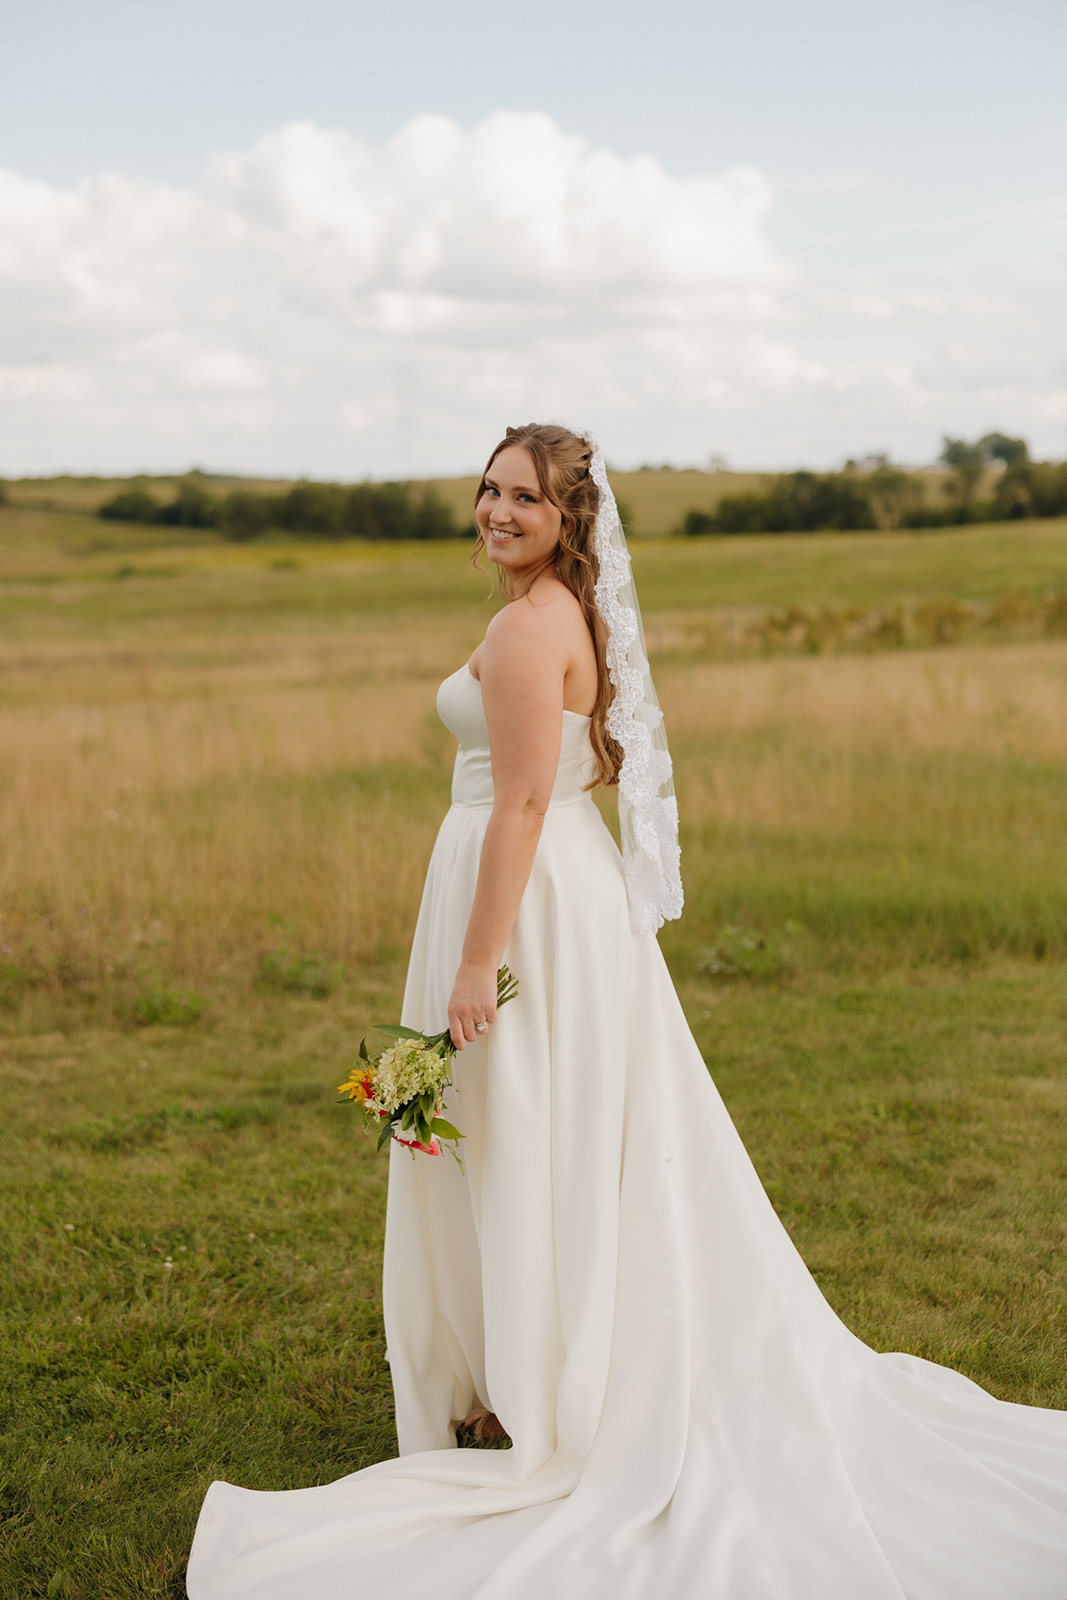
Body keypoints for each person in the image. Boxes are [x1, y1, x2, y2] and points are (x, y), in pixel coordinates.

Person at [187, 424, 1067, 1600]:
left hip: (524, 909)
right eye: (489, 489)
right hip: (560, 893)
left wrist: (473, 964)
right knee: (556, 1132)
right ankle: (537, 1367)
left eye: (524, 498)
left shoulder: (523, 629)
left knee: (525, 1132)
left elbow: (518, 805)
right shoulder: (564, 611)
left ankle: (544, 1387)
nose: (497, 511)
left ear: (568, 517)